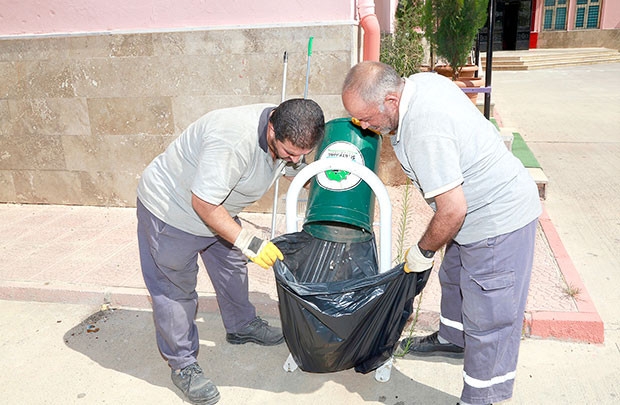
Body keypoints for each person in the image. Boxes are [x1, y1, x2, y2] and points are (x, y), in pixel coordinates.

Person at [342, 61, 541, 405]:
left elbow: (452, 211)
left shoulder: (423, 131)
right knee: (454, 277)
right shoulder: (418, 84)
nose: (363, 125)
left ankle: (482, 396)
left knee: (489, 314)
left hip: (498, 220)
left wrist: (422, 251)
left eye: (366, 118)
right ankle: (453, 339)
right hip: (473, 213)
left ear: (390, 100)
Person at [136, 98, 325, 405]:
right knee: (175, 290)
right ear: (272, 128)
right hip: (174, 212)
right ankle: (183, 364)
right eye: (289, 153)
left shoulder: (289, 126)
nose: (293, 160)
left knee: (232, 267)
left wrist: (325, 180)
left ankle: (241, 325)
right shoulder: (234, 140)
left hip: (217, 207)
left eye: (301, 155)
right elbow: (204, 204)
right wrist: (250, 242)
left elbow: (295, 170)